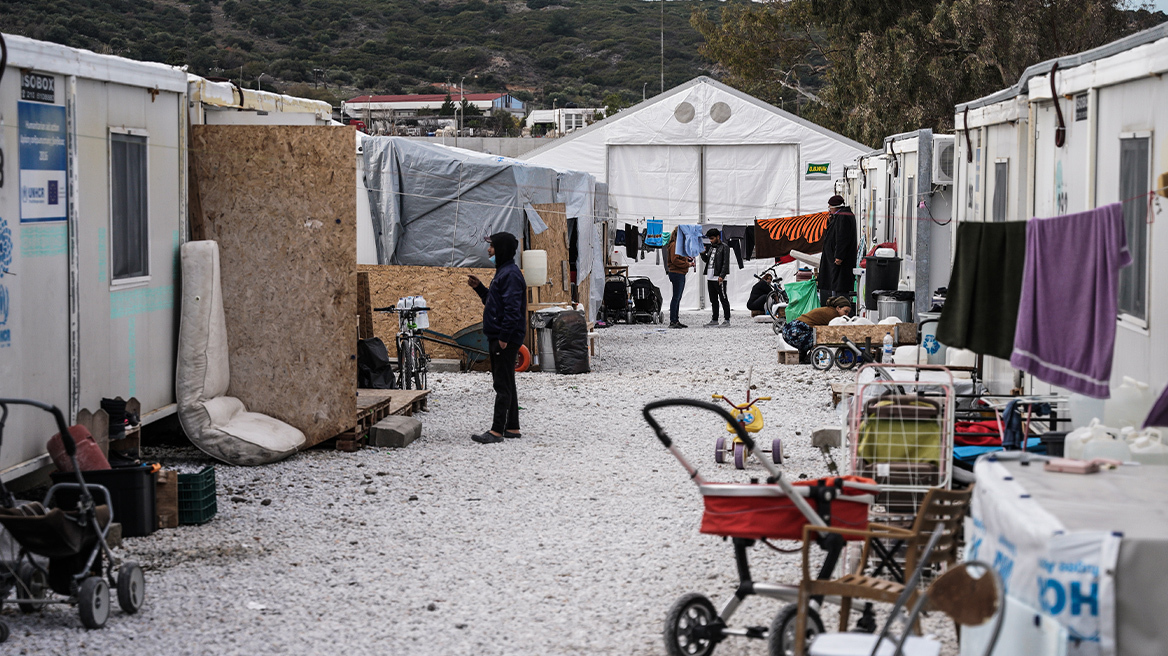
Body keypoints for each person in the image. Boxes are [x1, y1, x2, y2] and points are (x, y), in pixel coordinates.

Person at [466, 232, 527, 444]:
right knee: (508, 382)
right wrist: (480, 288)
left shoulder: (509, 275)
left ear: (500, 249)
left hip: (504, 338)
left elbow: (512, 310)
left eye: (491, 247)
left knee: (501, 384)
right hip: (504, 336)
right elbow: (495, 304)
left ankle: (496, 431)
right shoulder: (504, 272)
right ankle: (512, 427)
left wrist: (503, 337)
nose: (489, 250)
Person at [781, 296, 852, 364]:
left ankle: (802, 356)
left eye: (848, 312)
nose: (847, 314)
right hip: (795, 331)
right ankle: (812, 356)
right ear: (838, 308)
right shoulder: (834, 315)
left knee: (814, 333)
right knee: (825, 336)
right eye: (845, 311)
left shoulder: (828, 310)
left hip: (788, 330)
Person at [819, 195, 858, 306]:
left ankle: (841, 311)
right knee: (836, 286)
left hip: (841, 262)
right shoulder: (841, 216)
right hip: (837, 261)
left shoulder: (843, 217)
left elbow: (842, 238)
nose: (829, 209)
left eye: (830, 207)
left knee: (840, 287)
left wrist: (839, 256)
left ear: (835, 207)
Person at [700, 228, 731, 327]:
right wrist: (702, 253)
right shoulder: (711, 247)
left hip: (719, 277)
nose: (711, 240)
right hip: (710, 277)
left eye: (712, 238)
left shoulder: (725, 247)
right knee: (713, 299)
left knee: (723, 298)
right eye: (710, 239)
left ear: (718, 237)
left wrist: (722, 276)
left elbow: (726, 263)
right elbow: (707, 261)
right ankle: (715, 319)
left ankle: (727, 319)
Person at [665, 228, 694, 328]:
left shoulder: (677, 245)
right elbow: (674, 260)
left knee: (677, 297)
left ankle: (675, 320)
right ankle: (673, 321)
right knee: (676, 298)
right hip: (677, 273)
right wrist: (687, 264)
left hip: (679, 273)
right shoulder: (675, 245)